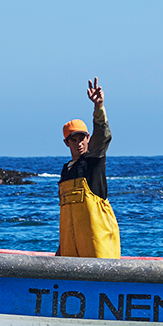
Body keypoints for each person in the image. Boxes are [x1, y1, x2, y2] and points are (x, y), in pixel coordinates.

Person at [57, 78, 121, 258]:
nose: (79, 144)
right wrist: (61, 249)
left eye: (82, 138)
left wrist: (99, 106)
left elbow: (102, 134)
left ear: (88, 138)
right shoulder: (66, 171)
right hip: (71, 246)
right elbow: (66, 215)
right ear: (66, 143)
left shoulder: (94, 160)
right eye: (73, 140)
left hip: (97, 242)